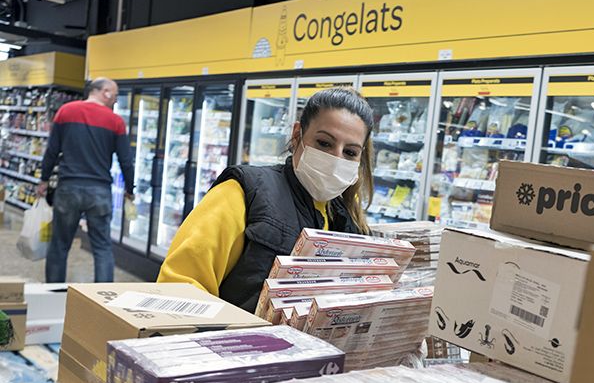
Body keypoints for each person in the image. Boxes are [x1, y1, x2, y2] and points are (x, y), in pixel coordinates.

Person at [158, 87, 375, 313]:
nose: (335, 158)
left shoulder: (345, 220)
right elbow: (179, 287)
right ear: (297, 135)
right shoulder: (242, 192)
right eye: (324, 143)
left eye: (349, 152)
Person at [37, 78, 135, 282]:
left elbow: (52, 151)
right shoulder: (115, 121)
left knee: (59, 245)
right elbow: (126, 160)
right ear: (105, 92)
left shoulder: (66, 111)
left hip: (68, 188)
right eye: (115, 96)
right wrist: (129, 188)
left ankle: (53, 292)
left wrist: (44, 180)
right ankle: (101, 297)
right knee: (102, 248)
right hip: (99, 191)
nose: (116, 100)